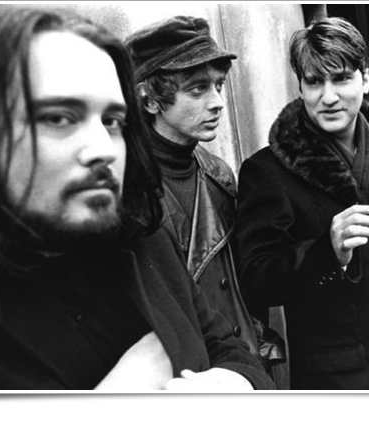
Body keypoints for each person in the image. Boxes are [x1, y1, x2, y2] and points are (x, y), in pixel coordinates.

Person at [0, 4, 274, 391]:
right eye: (59, 118)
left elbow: (225, 343)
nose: (103, 149)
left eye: (112, 121)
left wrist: (233, 382)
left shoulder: (144, 237)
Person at [232, 17, 369, 390]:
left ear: (365, 79)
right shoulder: (268, 172)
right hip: (339, 378)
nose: (328, 97)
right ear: (300, 87)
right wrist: (326, 251)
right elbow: (255, 280)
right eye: (315, 82)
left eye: (342, 78)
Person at [123, 16, 285, 375]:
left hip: (237, 368)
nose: (217, 102)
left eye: (219, 85)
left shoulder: (218, 174)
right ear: (150, 100)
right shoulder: (126, 187)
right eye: (198, 89)